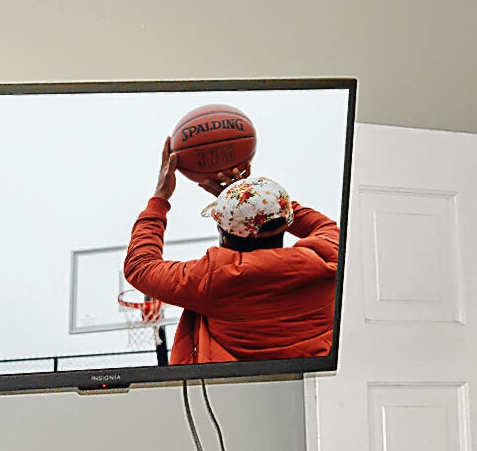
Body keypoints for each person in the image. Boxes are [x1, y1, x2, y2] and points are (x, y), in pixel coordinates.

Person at [122, 116, 341, 364]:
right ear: (286, 221)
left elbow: (139, 266)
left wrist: (160, 197)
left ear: (224, 235)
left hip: (236, 392)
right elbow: (322, 225)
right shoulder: (329, 257)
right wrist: (253, 194)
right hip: (318, 384)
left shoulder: (214, 279)